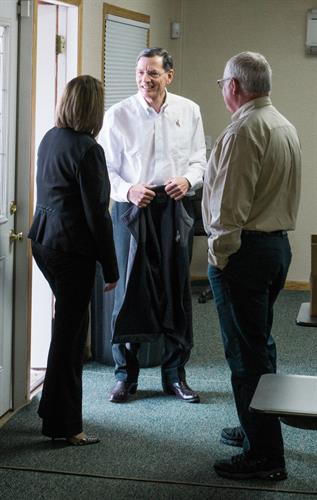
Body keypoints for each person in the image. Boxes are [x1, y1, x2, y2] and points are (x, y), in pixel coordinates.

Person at [202, 52, 301, 479]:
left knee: (245, 355)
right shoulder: (282, 123)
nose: (222, 89)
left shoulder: (244, 130)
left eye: (222, 83)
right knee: (259, 344)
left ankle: (265, 456)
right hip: (276, 248)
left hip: (244, 254)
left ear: (235, 86)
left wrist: (218, 258)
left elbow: (230, 206)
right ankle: (254, 430)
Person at [99, 47, 206, 404]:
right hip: (132, 208)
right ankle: (125, 376)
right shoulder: (118, 115)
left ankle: (175, 375)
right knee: (129, 290)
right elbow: (107, 171)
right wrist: (128, 189)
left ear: (169, 76)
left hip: (174, 206)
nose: (146, 79)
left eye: (153, 73)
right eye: (141, 73)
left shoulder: (189, 111)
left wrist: (188, 181)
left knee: (177, 290)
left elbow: (199, 161)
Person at [28, 75, 119, 445]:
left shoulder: (51, 137)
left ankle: (52, 408)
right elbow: (98, 214)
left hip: (44, 243)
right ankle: (65, 426)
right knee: (70, 335)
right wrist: (111, 266)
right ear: (94, 108)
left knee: (64, 328)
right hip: (70, 251)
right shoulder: (88, 149)